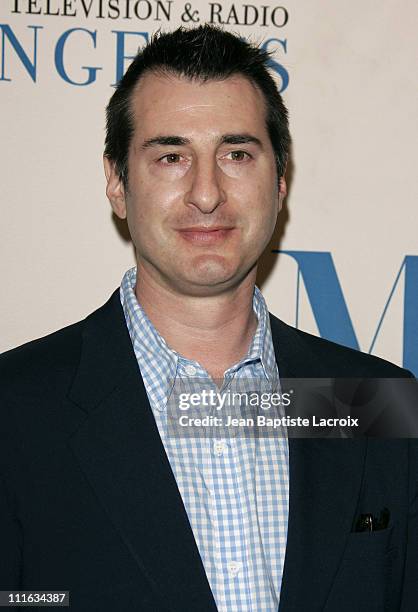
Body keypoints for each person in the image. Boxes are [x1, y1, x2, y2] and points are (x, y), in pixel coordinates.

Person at [0, 25, 417, 612]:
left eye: (236, 154)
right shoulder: (15, 410)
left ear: (279, 181)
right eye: (171, 156)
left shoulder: (375, 402)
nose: (206, 192)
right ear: (118, 184)